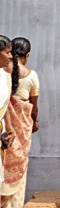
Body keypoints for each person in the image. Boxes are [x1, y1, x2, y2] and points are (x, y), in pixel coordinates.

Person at [1, 38, 39, 208]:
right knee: (19, 163)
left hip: (5, 127)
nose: (8, 56)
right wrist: (34, 122)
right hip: (19, 127)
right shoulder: (30, 75)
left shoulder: (4, 74)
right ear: (27, 55)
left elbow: (7, 104)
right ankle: (13, 207)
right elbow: (34, 106)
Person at [0, 36, 16, 192]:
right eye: (7, 52)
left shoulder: (5, 77)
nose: (11, 57)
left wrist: (10, 129)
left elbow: (6, 105)